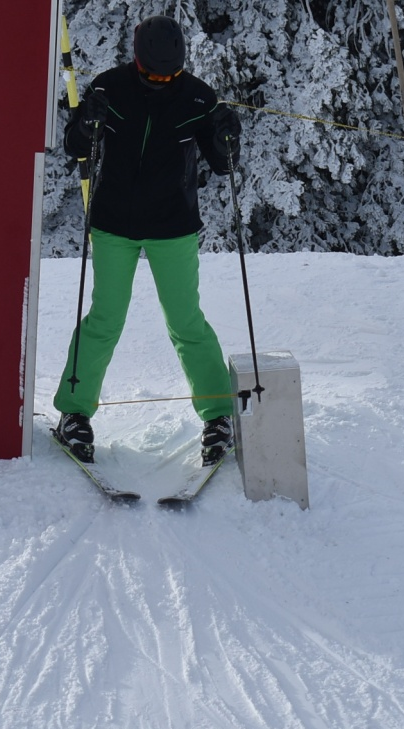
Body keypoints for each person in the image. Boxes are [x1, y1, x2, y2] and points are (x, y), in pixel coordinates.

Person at [52, 15, 244, 467]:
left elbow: (223, 164)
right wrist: (87, 124)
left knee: (186, 322)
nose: (161, 81)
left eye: (169, 76)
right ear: (137, 61)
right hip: (114, 223)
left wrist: (227, 138)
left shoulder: (198, 97)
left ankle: (218, 415)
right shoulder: (109, 88)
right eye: (153, 75)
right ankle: (74, 413)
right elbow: (75, 146)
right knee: (105, 319)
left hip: (172, 226)